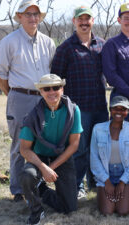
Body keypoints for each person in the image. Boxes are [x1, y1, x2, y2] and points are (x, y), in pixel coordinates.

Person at [0, 0, 55, 202]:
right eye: (28, 14)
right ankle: (18, 190)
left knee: (42, 142)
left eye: (36, 14)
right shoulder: (9, 42)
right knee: (21, 143)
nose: (32, 18)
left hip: (44, 98)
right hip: (20, 97)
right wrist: (12, 95)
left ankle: (38, 184)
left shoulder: (48, 42)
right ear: (19, 17)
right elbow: (0, 74)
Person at [51, 5, 108, 198]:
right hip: (77, 109)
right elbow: (56, 80)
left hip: (100, 107)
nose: (84, 23)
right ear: (74, 22)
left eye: (88, 19)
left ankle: (95, 182)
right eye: (80, 19)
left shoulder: (101, 44)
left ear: (93, 21)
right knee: (79, 149)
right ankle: (77, 186)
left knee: (99, 147)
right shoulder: (65, 48)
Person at [19, 74, 83, 225]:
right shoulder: (33, 115)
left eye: (56, 87)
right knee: (27, 175)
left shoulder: (73, 110)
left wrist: (51, 168)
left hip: (62, 158)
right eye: (46, 88)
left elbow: (74, 145)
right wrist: (43, 168)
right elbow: (24, 149)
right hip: (39, 157)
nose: (52, 91)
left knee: (70, 208)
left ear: (62, 89)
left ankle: (41, 190)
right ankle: (36, 211)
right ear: (41, 91)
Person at [90, 95, 129, 216]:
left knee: (123, 211)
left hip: (125, 174)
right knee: (107, 211)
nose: (119, 112)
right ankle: (103, 191)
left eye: (123, 109)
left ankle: (128, 190)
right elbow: (94, 157)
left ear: (127, 112)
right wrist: (106, 181)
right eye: (115, 108)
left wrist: (123, 181)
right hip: (105, 174)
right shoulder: (98, 129)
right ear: (110, 109)